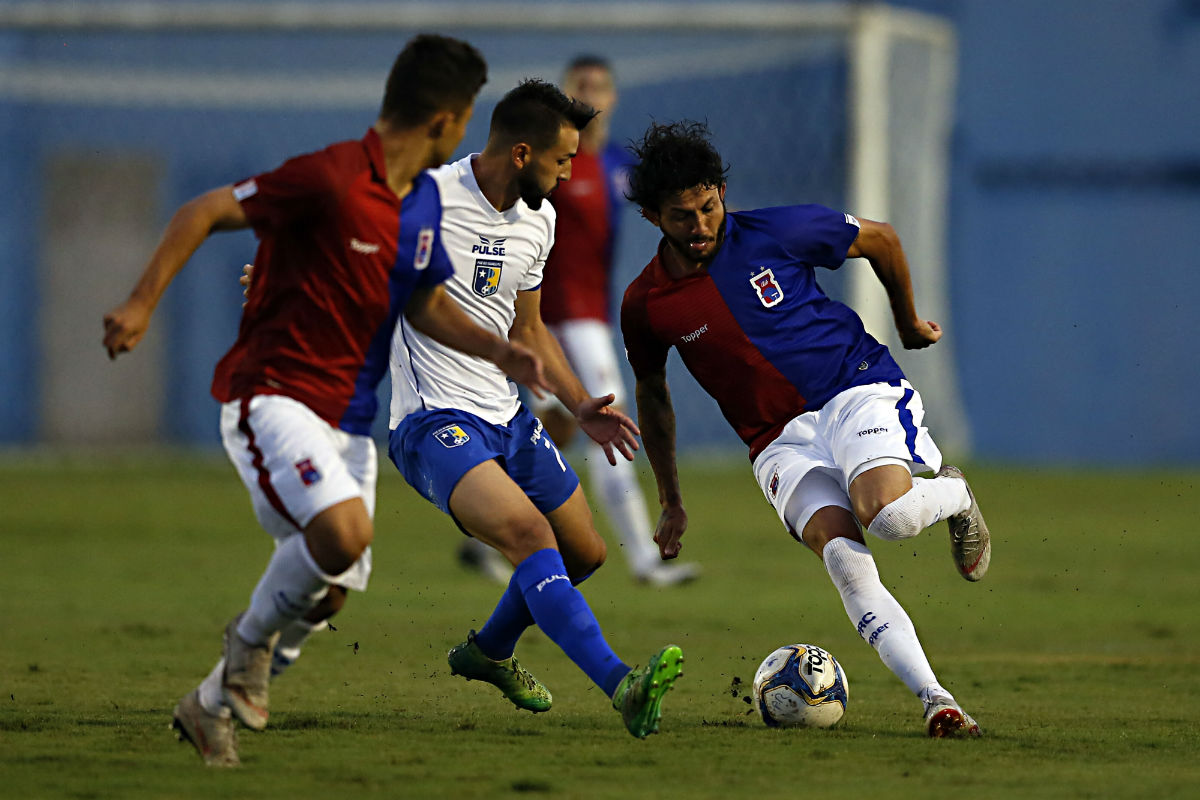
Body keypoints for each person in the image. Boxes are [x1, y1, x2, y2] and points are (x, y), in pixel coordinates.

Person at [102, 35, 550, 767]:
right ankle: (246, 645)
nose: (468, 133)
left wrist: (500, 351)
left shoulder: (420, 204)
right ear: (447, 119)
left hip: (349, 421)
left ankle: (208, 705)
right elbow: (204, 210)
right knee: (342, 535)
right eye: (468, 117)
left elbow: (425, 303)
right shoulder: (333, 176)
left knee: (330, 593)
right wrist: (139, 303)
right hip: (273, 395)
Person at [619, 120, 991, 738]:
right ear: (653, 217)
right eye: (682, 216)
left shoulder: (777, 230)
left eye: (709, 206)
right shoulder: (646, 303)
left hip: (852, 388)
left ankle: (954, 493)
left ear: (722, 193)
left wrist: (906, 322)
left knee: (891, 518)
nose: (701, 225)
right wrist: (671, 500)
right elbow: (652, 395)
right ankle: (938, 701)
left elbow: (881, 239)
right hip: (775, 441)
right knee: (844, 558)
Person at [386, 80, 683, 739]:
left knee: (585, 553)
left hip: (510, 417)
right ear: (522, 153)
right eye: (562, 160)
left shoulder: (539, 218)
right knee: (530, 535)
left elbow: (530, 328)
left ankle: (489, 651)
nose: (570, 173)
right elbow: (342, 238)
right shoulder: (429, 198)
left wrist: (579, 404)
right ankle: (623, 685)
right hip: (434, 421)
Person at [461, 55, 699, 587]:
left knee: (558, 429)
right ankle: (644, 560)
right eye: (580, 85)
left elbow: (667, 204)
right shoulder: (545, 163)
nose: (590, 94)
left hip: (588, 315)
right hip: (542, 320)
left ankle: (486, 534)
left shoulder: (616, 165)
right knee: (610, 421)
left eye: (599, 86)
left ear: (613, 97)